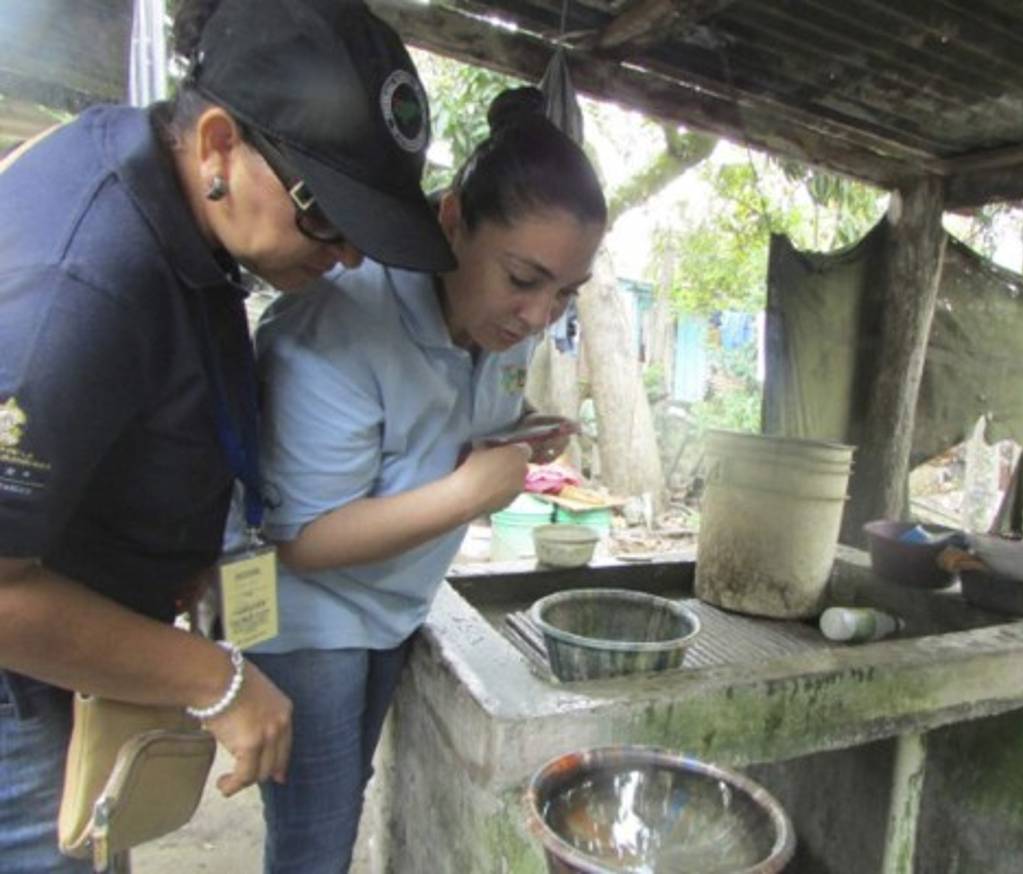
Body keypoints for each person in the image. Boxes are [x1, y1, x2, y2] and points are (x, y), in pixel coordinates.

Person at [0, 1, 453, 870]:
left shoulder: (176, 207)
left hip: (81, 655)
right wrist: (218, 681)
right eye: (327, 217)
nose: (348, 257)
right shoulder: (83, 280)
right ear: (217, 146)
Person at [246, 86, 607, 872]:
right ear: (451, 220)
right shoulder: (337, 324)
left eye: (564, 294)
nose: (539, 316)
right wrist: (473, 492)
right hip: (310, 615)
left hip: (392, 601)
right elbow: (302, 542)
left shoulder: (499, 323)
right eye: (524, 279)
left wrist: (514, 437)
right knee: (316, 834)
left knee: (341, 794)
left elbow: (436, 425)